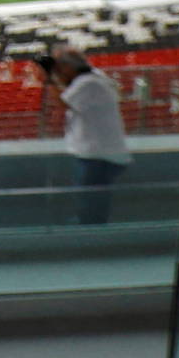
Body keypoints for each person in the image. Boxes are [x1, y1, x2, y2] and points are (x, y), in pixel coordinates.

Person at [50, 49, 130, 226]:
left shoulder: (88, 83)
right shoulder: (95, 77)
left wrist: (48, 80)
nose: (58, 73)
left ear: (69, 67)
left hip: (97, 154)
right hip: (102, 151)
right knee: (93, 197)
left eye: (59, 69)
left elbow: (63, 102)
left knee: (90, 198)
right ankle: (91, 224)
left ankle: (91, 231)